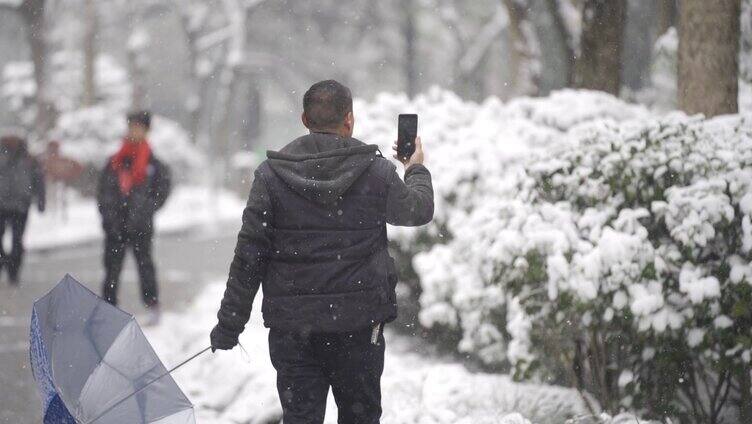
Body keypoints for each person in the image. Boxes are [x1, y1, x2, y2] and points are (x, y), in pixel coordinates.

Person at [210, 80, 434, 423]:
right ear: (349, 120)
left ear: (304, 119)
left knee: (301, 417)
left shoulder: (271, 176)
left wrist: (229, 325)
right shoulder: (376, 172)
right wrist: (414, 167)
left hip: (293, 331)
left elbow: (249, 258)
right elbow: (417, 210)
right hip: (359, 327)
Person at [97, 111, 171, 325]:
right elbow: (103, 190)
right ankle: (108, 308)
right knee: (111, 268)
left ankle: (152, 305)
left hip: (140, 225)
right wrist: (107, 214)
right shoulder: (116, 159)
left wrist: (147, 209)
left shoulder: (153, 163)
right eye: (132, 126)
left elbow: (163, 189)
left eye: (139, 127)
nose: (134, 131)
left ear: (146, 131)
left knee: (145, 266)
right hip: (115, 225)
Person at [0, 133, 45, 285]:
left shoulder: (29, 159)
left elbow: (39, 179)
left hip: (21, 205)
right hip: (1, 205)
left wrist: (41, 200)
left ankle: (14, 271)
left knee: (17, 240)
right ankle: (4, 261)